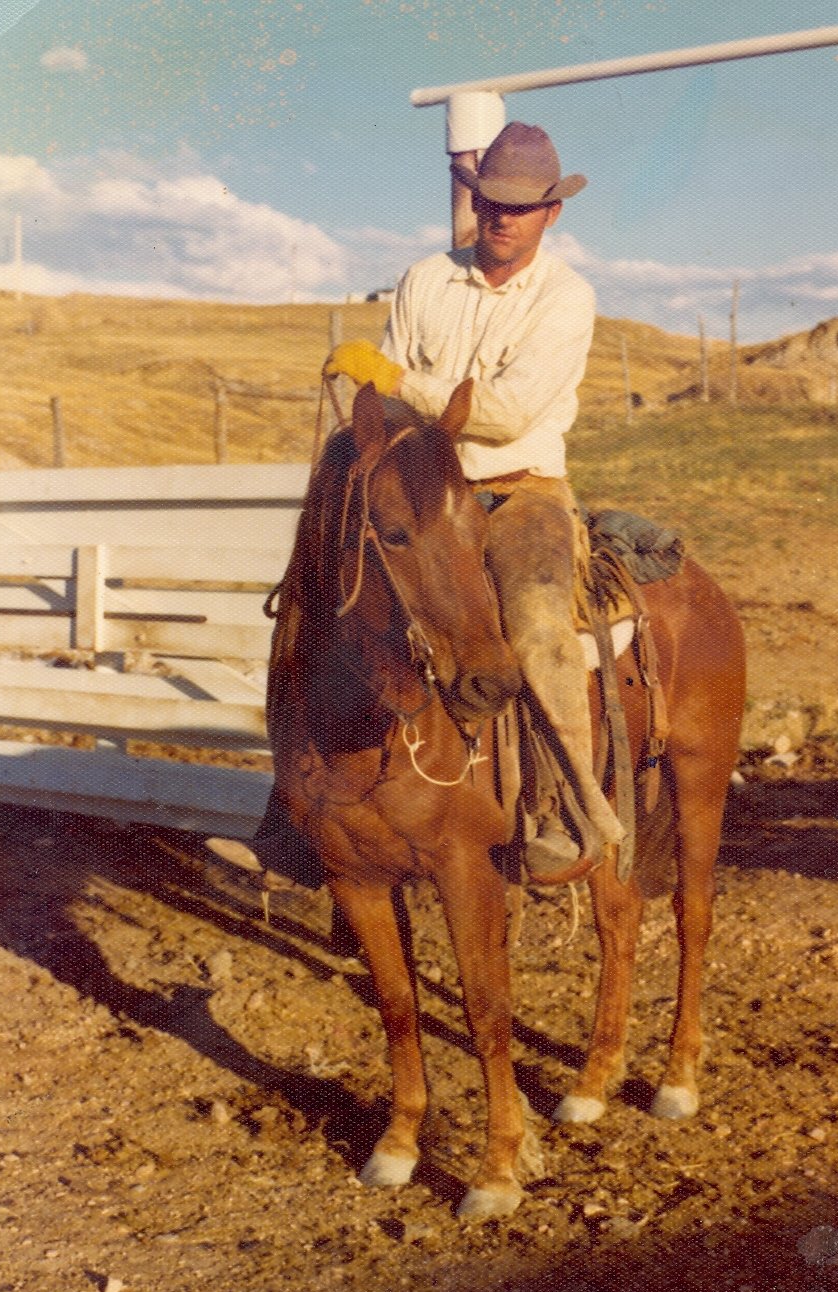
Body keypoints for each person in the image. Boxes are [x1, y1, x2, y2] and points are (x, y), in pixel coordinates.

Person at [209, 121, 623, 889]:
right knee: (325, 605)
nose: (501, 218)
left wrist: (397, 382)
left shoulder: (567, 298)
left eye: (521, 207)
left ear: (551, 215)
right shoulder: (426, 278)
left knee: (534, 624)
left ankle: (561, 808)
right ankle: (296, 813)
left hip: (516, 488)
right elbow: (391, 404)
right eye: (490, 201)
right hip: (424, 489)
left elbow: (502, 413)